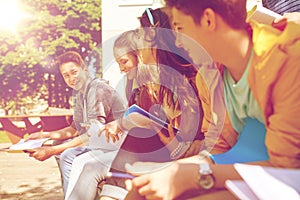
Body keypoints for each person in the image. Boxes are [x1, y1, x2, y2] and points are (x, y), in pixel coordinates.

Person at [123, 0, 300, 199]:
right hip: (253, 171)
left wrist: (190, 176)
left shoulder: (289, 60)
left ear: (208, 20)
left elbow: (285, 168)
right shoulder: (209, 76)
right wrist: (169, 170)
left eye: (180, 28)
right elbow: (218, 151)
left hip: (284, 178)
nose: (178, 42)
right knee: (139, 192)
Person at [98, 7, 205, 200]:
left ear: (154, 38)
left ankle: (112, 191)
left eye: (139, 35)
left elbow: (191, 146)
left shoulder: (191, 82)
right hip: (166, 152)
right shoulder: (159, 81)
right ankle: (112, 190)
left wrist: (171, 143)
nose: (135, 42)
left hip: (184, 159)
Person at [26, 51, 126, 195]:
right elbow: (74, 129)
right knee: (58, 146)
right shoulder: (81, 94)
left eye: (74, 72)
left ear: (85, 69)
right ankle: (74, 195)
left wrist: (51, 151)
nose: (71, 78)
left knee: (67, 155)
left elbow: (93, 133)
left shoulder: (97, 89)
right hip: (103, 143)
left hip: (119, 145)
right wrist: (44, 135)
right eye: (66, 75)